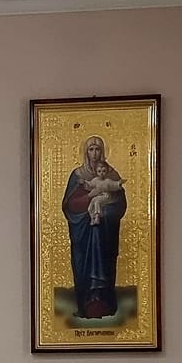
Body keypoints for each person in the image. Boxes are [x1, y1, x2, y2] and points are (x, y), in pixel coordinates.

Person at [62, 134, 127, 319]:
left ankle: (104, 302)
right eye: (91, 149)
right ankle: (84, 305)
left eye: (98, 149)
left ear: (103, 151)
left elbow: (120, 204)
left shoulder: (111, 174)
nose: (95, 153)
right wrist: (90, 196)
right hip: (83, 234)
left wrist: (105, 213)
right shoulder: (78, 176)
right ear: (86, 152)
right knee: (82, 266)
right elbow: (69, 205)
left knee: (105, 264)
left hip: (105, 233)